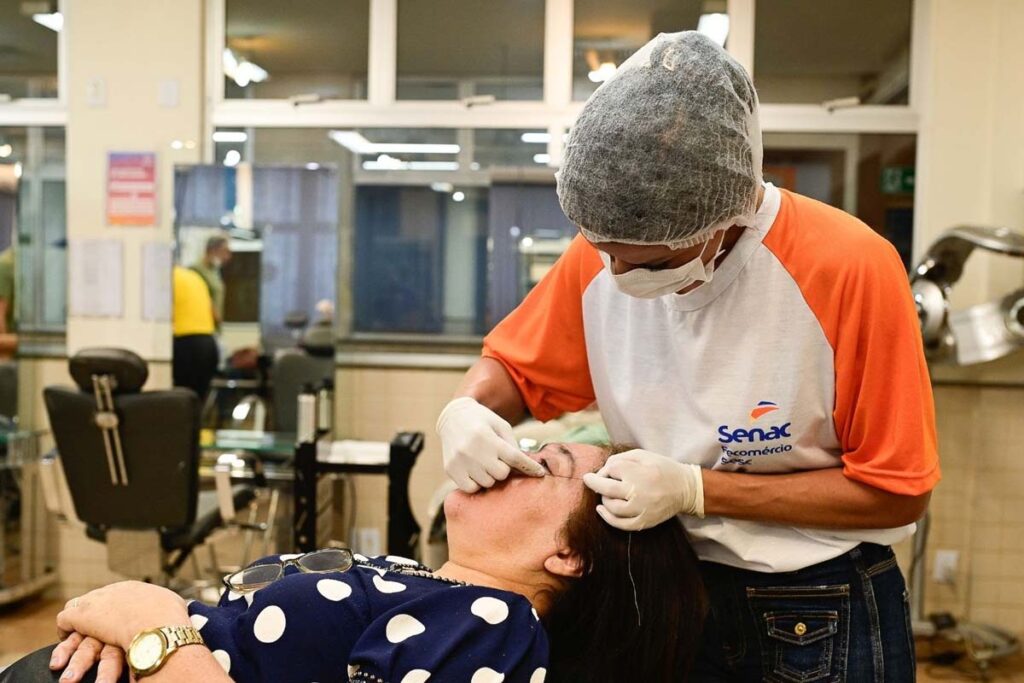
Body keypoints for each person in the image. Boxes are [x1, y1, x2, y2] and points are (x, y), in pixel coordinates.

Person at [436, 31, 940, 681]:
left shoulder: (849, 266)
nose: (616, 274)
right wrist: (466, 407)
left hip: (814, 603)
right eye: (603, 250)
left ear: (721, 218)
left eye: (647, 261)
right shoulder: (601, 257)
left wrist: (696, 488)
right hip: (669, 592)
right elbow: (516, 367)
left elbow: (895, 494)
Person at [4, 443, 705, 683]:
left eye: (545, 465)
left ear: (570, 554)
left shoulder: (497, 629)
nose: (512, 458)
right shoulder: (419, 576)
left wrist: (154, 627)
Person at [172, 265, 219, 400]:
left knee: (181, 400)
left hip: (186, 344)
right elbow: (216, 316)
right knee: (197, 401)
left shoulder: (166, 278)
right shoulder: (195, 277)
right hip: (209, 344)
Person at [190, 235, 232, 332]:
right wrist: (217, 318)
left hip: (214, 328)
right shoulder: (196, 270)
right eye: (224, 251)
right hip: (202, 328)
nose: (227, 256)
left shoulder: (214, 271)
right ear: (213, 250)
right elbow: (201, 299)